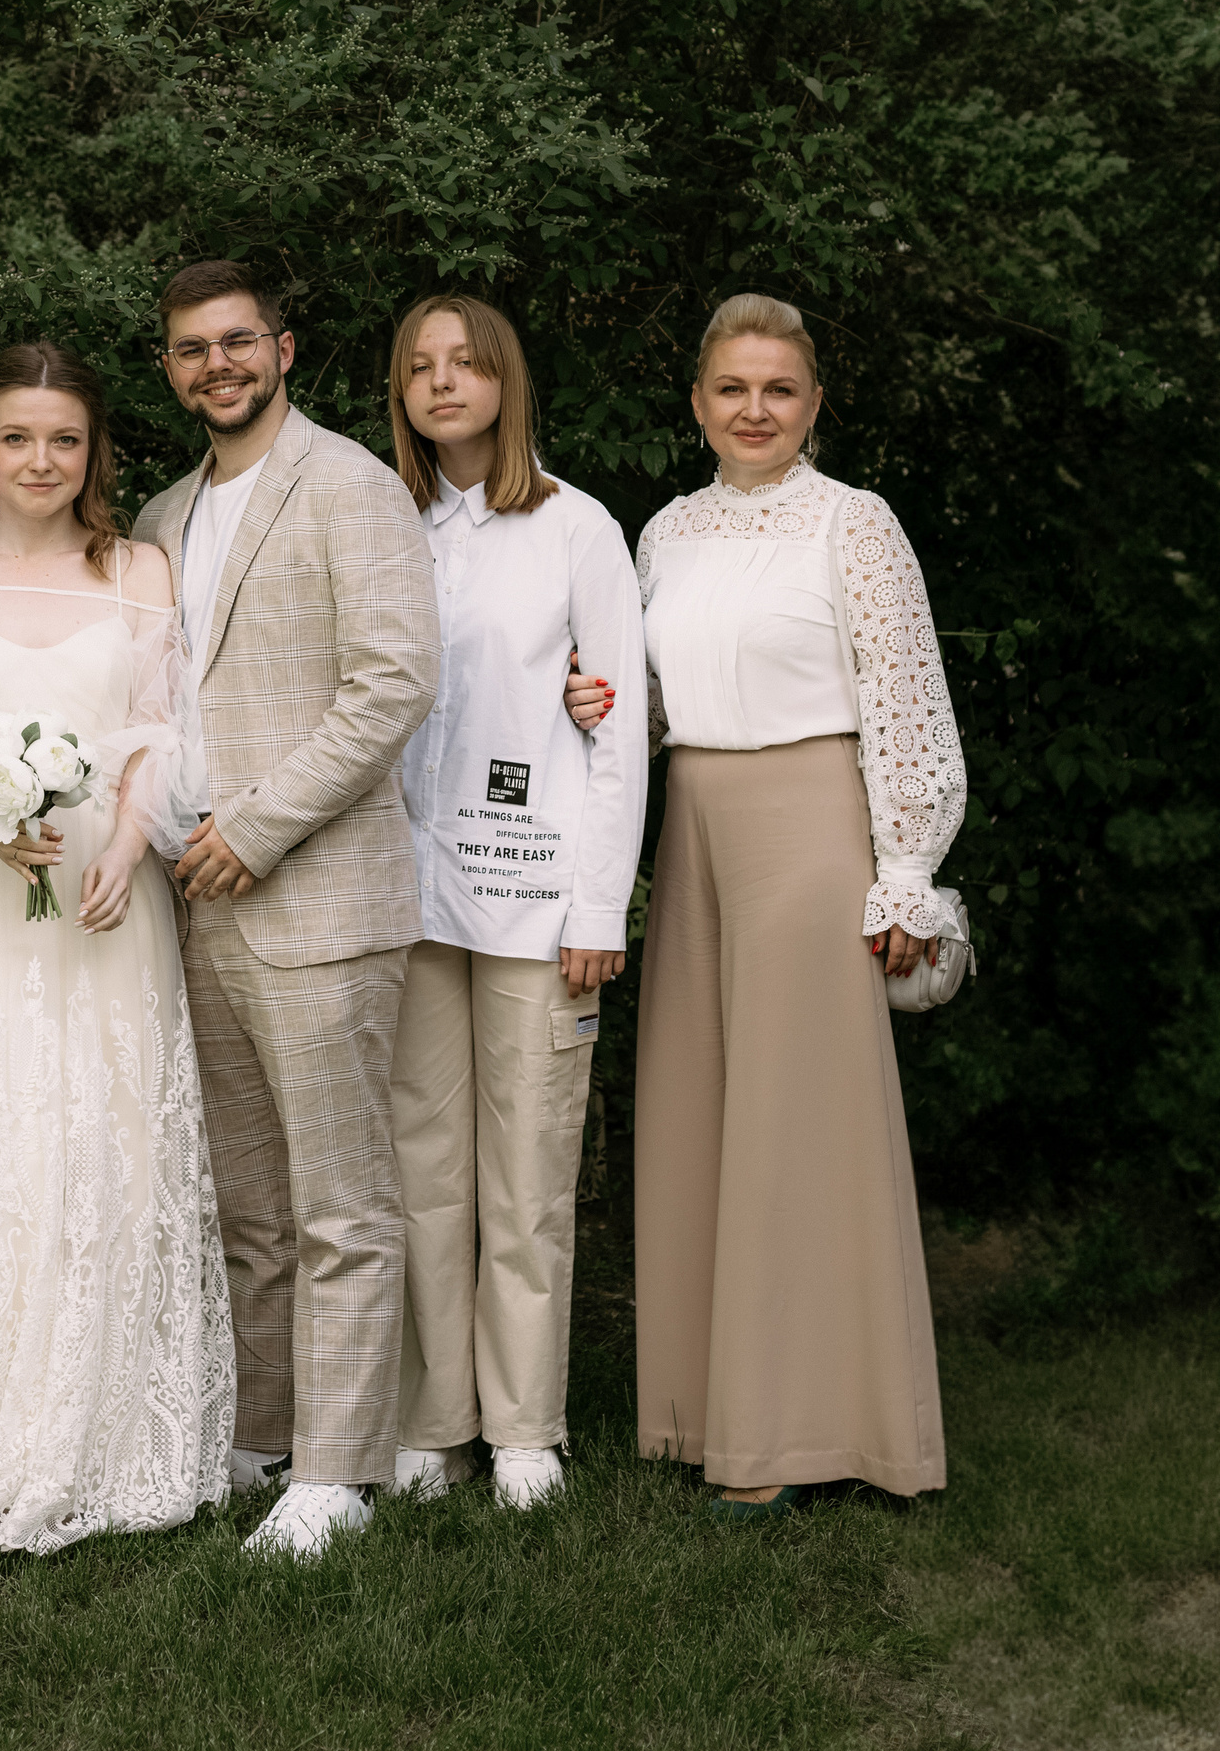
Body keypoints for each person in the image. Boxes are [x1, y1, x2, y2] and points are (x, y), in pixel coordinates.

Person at [0, 342, 235, 1551]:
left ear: (93, 453)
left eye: (64, 439)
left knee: (105, 1135)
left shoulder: (139, 573)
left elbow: (164, 729)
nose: (40, 460)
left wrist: (133, 843)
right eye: (17, 438)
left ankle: (106, 1429)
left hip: (108, 903)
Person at [630, 292, 962, 1510]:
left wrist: (906, 871)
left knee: (799, 1132)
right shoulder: (665, 532)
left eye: (779, 389)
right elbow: (647, 704)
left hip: (812, 824)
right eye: (733, 388)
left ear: (815, 403)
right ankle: (707, 1415)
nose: (755, 410)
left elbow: (907, 698)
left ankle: (809, 1437)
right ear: (699, 402)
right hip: (695, 827)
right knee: (698, 1116)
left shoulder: (853, 524)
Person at [134, 260, 440, 1560]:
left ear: (284, 349)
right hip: (195, 901)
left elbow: (394, 682)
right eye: (192, 349)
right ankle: (261, 1434)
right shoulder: (160, 517)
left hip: (317, 898)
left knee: (340, 1206)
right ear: (171, 370)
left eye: (238, 341)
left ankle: (337, 1472)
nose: (219, 364)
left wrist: (256, 830)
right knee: (247, 1207)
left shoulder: (352, 487)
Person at [385, 294, 647, 1510]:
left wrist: (599, 908)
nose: (444, 383)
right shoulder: (386, 526)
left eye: (466, 363)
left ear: (506, 380)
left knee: (530, 1168)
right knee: (423, 1166)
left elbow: (621, 728)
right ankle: (434, 1422)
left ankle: (526, 1427)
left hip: (538, 903)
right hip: (408, 900)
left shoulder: (576, 527)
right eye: (420, 366)